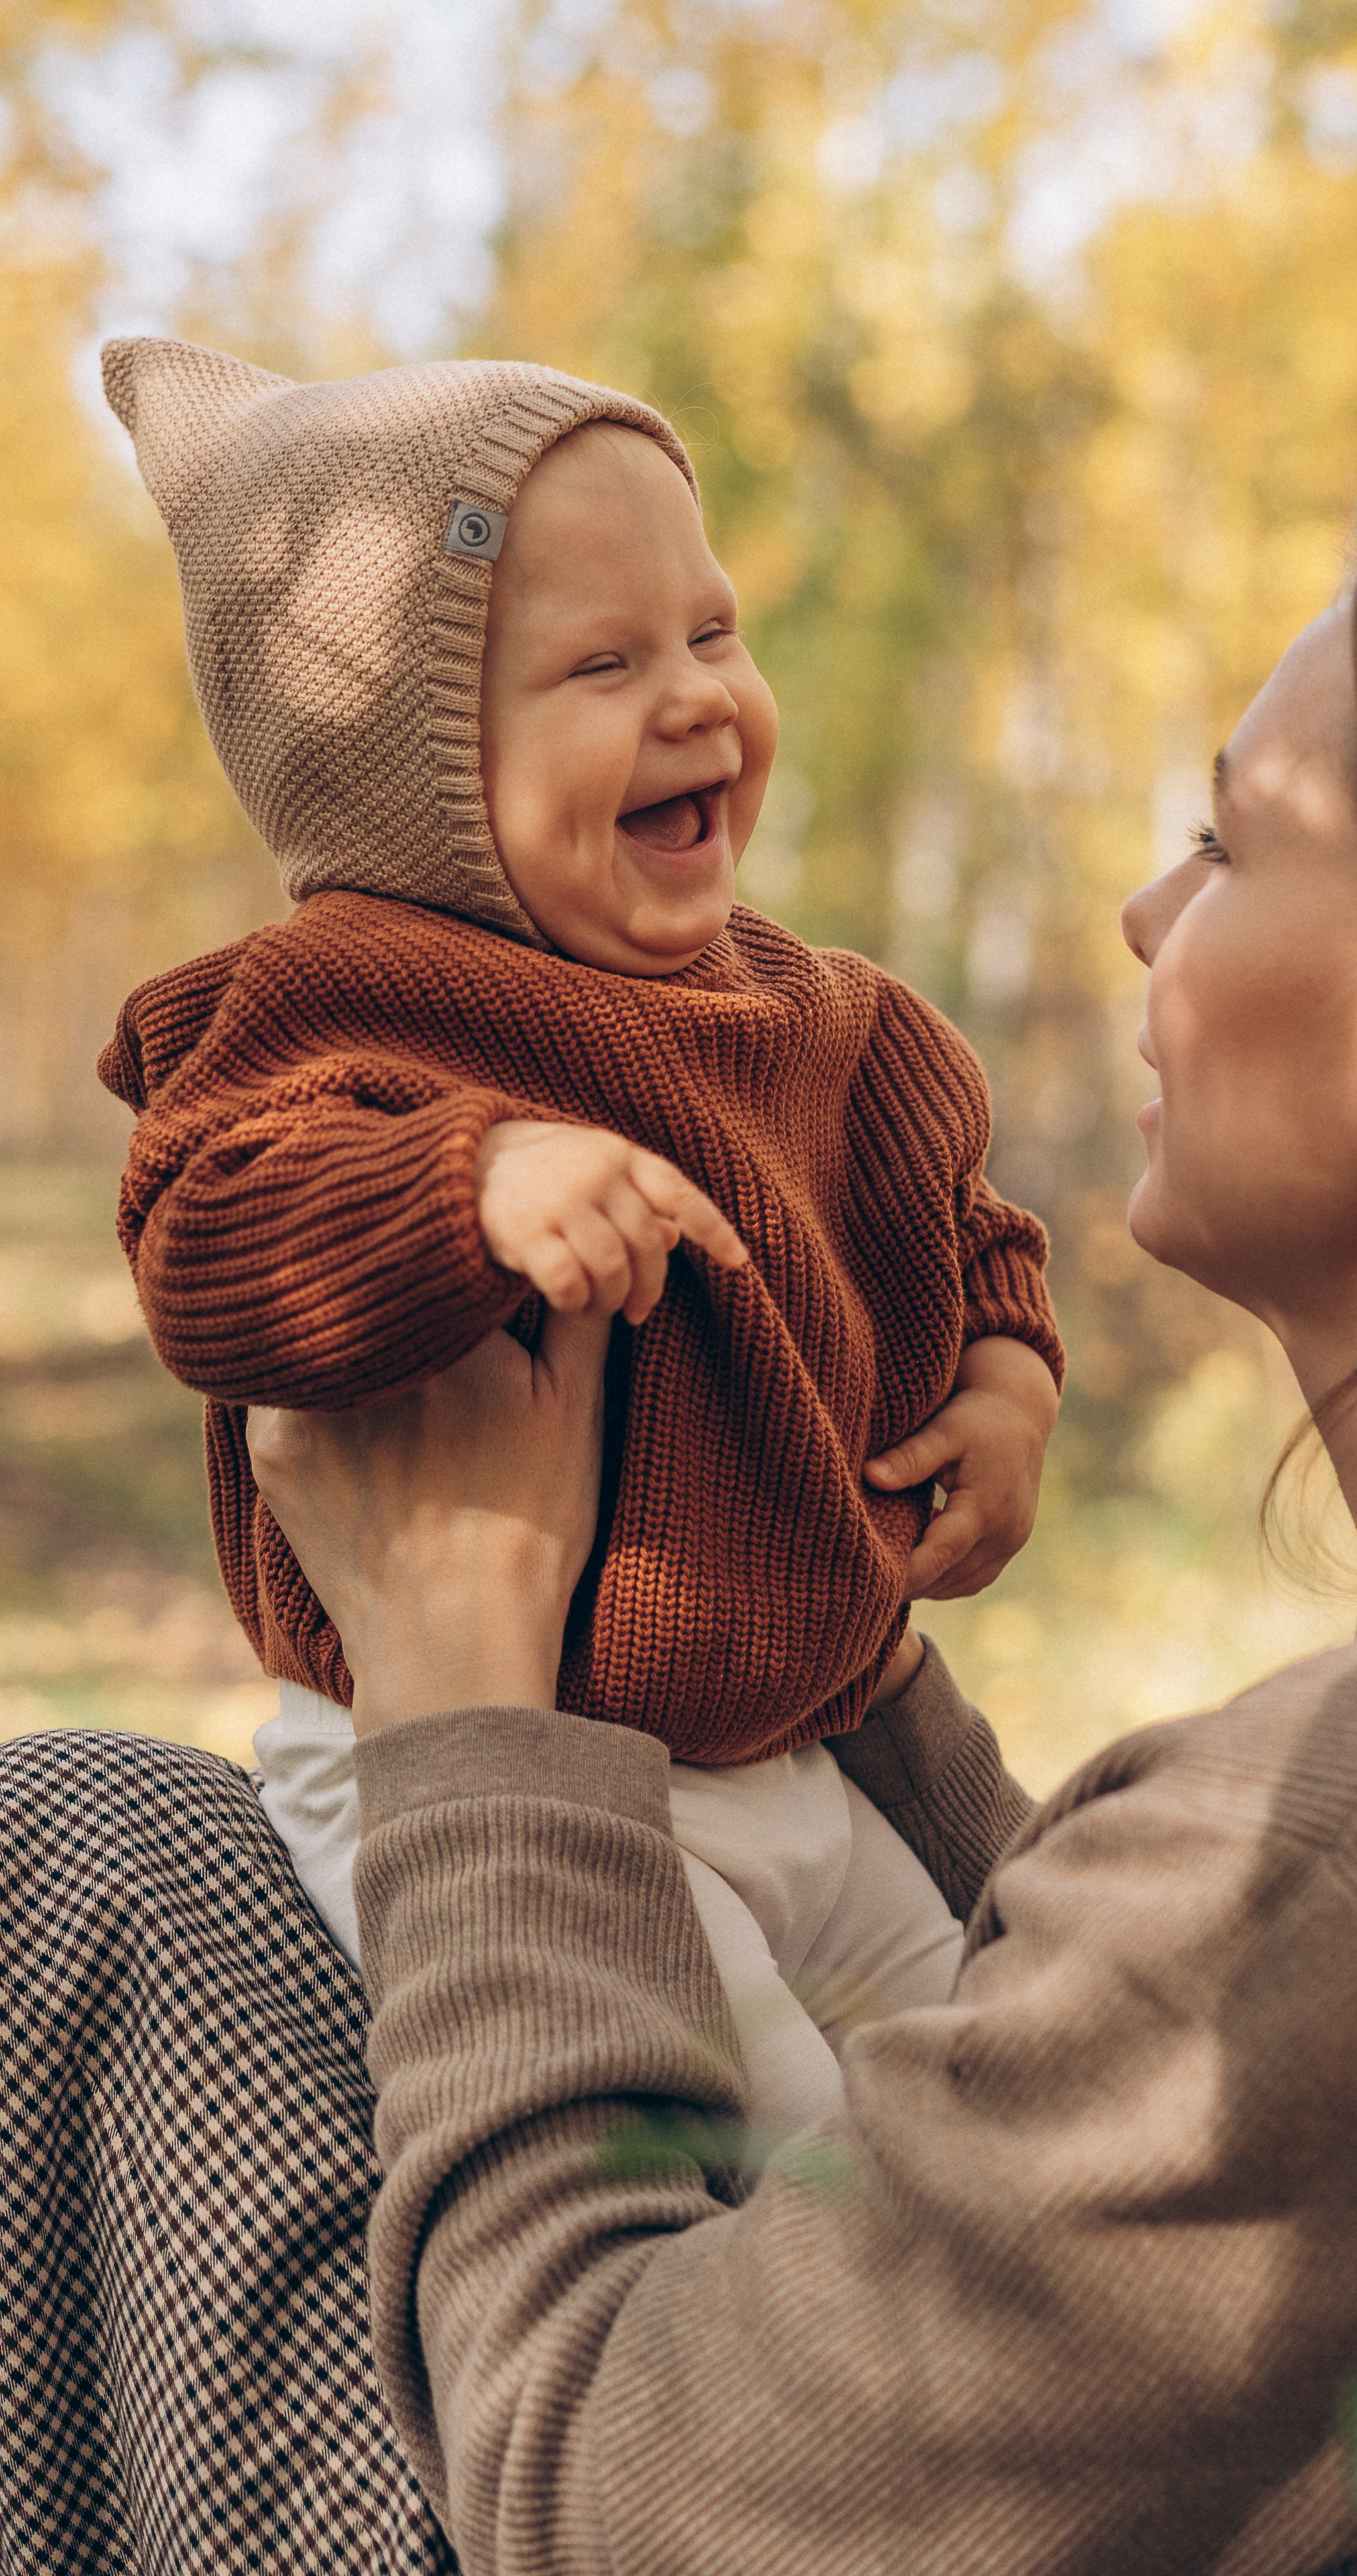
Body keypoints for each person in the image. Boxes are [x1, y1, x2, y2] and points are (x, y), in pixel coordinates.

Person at [3, 460, 1357, 2571]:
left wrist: (461, 1675)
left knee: (84, 1846)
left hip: (601, 2462)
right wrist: (832, 1607)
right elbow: (1083, 2129)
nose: (1144, 914)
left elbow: (616, 2496)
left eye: (1231, 840)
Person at [93, 337, 1063, 2122]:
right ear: (405, 777)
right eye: (603, 663)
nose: (697, 697)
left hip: (799, 1759)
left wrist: (1004, 1384)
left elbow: (962, 1208)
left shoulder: (812, 1011)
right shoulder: (343, 1007)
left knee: (1011, 2108)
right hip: (481, 1769)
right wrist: (460, 1181)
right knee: (769, 2173)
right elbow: (210, 1240)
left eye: (712, 629)